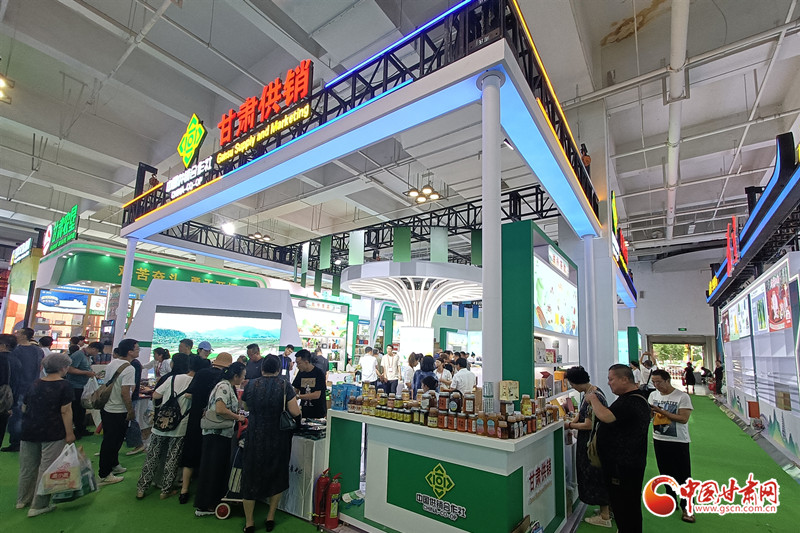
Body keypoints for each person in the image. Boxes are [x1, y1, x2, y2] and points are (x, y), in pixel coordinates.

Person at [585, 364, 651, 533]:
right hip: (625, 465)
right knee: (625, 506)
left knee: (626, 506)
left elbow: (606, 416)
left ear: (624, 379)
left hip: (623, 467)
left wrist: (593, 399)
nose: (609, 383)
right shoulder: (632, 399)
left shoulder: (631, 401)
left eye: (611, 379)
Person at [241, 355, 301, 532]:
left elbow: (245, 407)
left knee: (250, 477)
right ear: (278, 369)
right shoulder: (284, 385)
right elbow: (295, 411)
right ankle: (270, 517)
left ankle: (249, 522)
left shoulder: (251, 384)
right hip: (277, 437)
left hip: (254, 435)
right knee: (277, 475)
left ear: (262, 368)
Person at [15, 353, 75, 517]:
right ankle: (39, 505)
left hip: (29, 429)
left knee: (27, 467)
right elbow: (65, 411)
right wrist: (69, 433)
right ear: (63, 368)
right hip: (52, 431)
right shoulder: (65, 385)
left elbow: (24, 407)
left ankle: (22, 499)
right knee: (47, 468)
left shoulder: (35, 383)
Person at [136, 352, 193, 500]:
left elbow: (156, 395)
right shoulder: (191, 381)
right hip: (180, 425)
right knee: (172, 458)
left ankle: (142, 488)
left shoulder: (170, 378)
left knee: (152, 456)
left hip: (161, 424)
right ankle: (165, 490)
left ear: (173, 364)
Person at [194, 361, 247, 516]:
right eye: (243, 376)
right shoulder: (224, 387)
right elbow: (220, 409)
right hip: (216, 434)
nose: (244, 379)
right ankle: (206, 504)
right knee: (212, 468)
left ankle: (210, 501)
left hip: (220, 434)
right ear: (236, 376)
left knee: (216, 467)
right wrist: (237, 417)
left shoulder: (227, 386)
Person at [179, 352, 231, 504]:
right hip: (214, 422)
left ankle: (184, 490)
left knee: (190, 452)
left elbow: (188, 394)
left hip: (195, 417)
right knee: (210, 457)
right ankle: (206, 491)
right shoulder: (224, 379)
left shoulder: (201, 373)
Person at [564, 366, 611, 528]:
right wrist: (573, 420)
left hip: (592, 443)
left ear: (577, 382)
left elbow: (588, 424)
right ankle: (606, 510)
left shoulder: (593, 397)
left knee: (595, 475)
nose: (571, 387)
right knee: (597, 474)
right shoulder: (591, 392)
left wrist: (569, 425)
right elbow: (582, 415)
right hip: (594, 440)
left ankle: (604, 516)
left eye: (571, 384)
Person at [649, 369, 695, 523]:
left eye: (659, 382)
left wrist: (661, 411)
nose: (656, 385)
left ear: (667, 380)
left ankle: (687, 507)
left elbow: (683, 418)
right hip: (659, 439)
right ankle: (671, 499)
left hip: (678, 441)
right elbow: (650, 416)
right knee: (665, 472)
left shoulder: (682, 397)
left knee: (683, 475)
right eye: (654, 382)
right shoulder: (653, 395)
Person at [98, 338, 138, 485]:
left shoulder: (112, 363)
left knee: (113, 439)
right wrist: (130, 410)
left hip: (107, 408)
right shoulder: (129, 368)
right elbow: (125, 392)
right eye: (137, 348)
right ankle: (104, 474)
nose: (138, 351)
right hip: (118, 410)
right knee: (112, 441)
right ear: (130, 351)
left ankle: (114, 464)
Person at [4, 327, 45, 452]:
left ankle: (16, 442)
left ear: (24, 335)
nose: (16, 334)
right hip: (34, 386)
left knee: (16, 415)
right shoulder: (38, 350)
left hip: (19, 387)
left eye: (18, 333)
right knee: (30, 415)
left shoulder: (15, 351)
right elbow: (41, 366)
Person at [65, 341, 100, 439]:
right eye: (97, 352)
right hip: (75, 386)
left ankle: (81, 429)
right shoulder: (78, 355)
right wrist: (86, 373)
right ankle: (75, 430)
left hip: (82, 385)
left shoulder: (87, 356)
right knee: (76, 409)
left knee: (81, 408)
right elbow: (70, 369)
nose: (96, 354)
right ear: (93, 348)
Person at [0, 334, 22, 448]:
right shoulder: (16, 360)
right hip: (7, 401)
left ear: (4, 345)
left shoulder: (1, 359)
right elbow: (16, 383)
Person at [292, 349, 327, 419]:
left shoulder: (319, 373)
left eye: (299, 363)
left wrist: (299, 396)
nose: (297, 366)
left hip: (318, 412)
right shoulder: (300, 373)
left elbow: (317, 395)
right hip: (304, 411)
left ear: (306, 362)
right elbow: (295, 390)